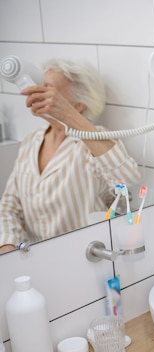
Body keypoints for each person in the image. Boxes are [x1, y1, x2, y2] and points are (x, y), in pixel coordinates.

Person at [0, 58, 140, 254]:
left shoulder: (95, 140)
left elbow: (128, 179)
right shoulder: (32, 140)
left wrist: (68, 115)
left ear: (78, 104)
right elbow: (9, 207)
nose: (36, 92)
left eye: (48, 89)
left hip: (86, 258)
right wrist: (8, 250)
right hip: (34, 261)